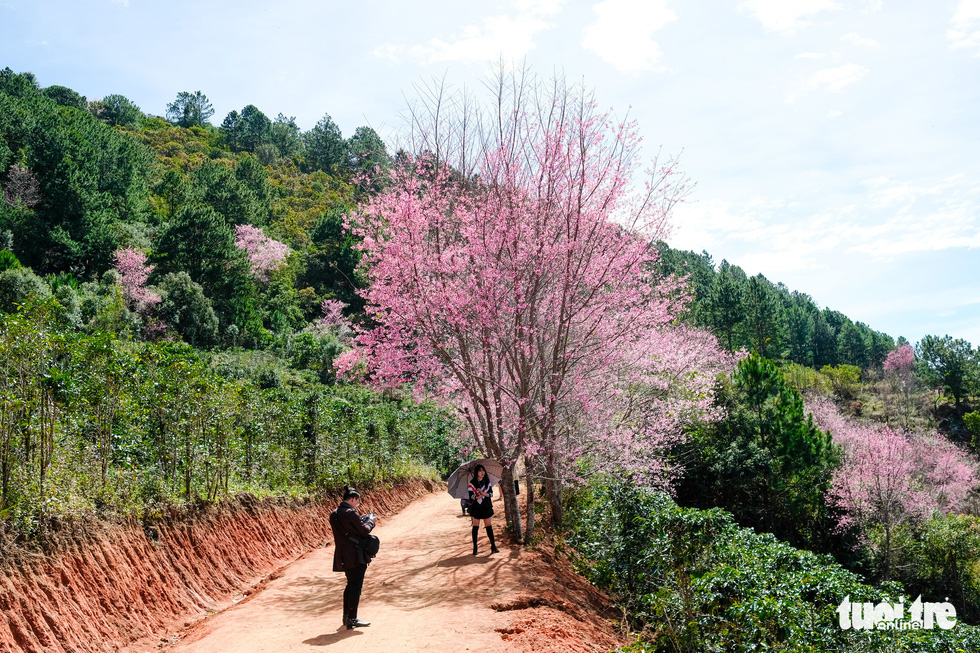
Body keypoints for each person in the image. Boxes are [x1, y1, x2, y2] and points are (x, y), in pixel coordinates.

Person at [329, 486, 376, 629]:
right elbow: (363, 531)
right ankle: (353, 619)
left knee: (350, 585)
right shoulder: (351, 513)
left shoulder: (334, 514)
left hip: (342, 555)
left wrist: (360, 521)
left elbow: (348, 529)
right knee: (356, 587)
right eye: (358, 501)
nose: (358, 504)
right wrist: (371, 522)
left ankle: (346, 617)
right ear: (353, 499)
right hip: (356, 555)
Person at [468, 465, 498, 555]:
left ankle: (493, 546)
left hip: (486, 506)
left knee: (488, 526)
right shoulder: (472, 483)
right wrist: (477, 496)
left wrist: (483, 494)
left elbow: (491, 494)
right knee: (475, 527)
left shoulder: (487, 482)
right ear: (476, 472)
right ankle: (475, 547)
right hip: (476, 507)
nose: (482, 472)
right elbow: (470, 497)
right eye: (480, 471)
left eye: (483, 470)